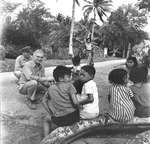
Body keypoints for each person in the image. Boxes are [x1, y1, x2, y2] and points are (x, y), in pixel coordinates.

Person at [42, 65, 80, 137]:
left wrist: (51, 113)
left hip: (60, 119)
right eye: (68, 77)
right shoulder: (70, 86)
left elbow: (43, 101)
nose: (70, 78)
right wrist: (80, 109)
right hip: (74, 116)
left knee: (46, 119)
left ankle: (46, 138)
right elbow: (75, 102)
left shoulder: (50, 88)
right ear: (61, 78)